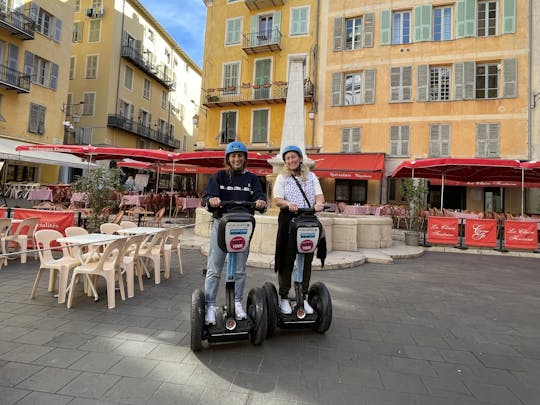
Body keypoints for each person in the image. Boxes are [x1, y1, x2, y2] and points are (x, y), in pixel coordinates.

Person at [202, 141, 267, 325]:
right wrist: (212, 200)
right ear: (228, 159)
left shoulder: (252, 179)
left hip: (242, 228)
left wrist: (261, 201)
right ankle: (209, 306)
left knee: (239, 270)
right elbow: (206, 198)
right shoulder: (219, 177)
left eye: (240, 156)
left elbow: (259, 196)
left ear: (245, 159)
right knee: (214, 269)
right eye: (233, 156)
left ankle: (237, 302)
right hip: (222, 226)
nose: (237, 159)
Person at [273, 145, 325, 315]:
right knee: (287, 259)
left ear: (300, 158)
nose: (291, 160)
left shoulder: (311, 176)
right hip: (289, 221)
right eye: (287, 158)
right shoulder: (282, 178)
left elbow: (319, 195)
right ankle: (284, 297)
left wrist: (319, 204)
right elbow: (278, 199)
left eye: (293, 157)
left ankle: (302, 295)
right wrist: (289, 204)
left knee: (307, 259)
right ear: (285, 161)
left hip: (307, 219)